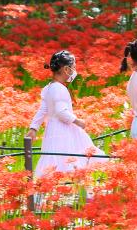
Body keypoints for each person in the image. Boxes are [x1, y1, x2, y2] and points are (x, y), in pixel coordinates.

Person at [25, 50, 104, 178]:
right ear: (66, 69)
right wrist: (78, 122)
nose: (75, 70)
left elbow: (43, 110)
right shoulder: (60, 88)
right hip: (63, 130)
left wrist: (33, 128)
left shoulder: (49, 88)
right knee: (69, 160)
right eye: (73, 67)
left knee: (55, 159)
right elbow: (61, 112)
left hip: (52, 130)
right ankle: (77, 191)